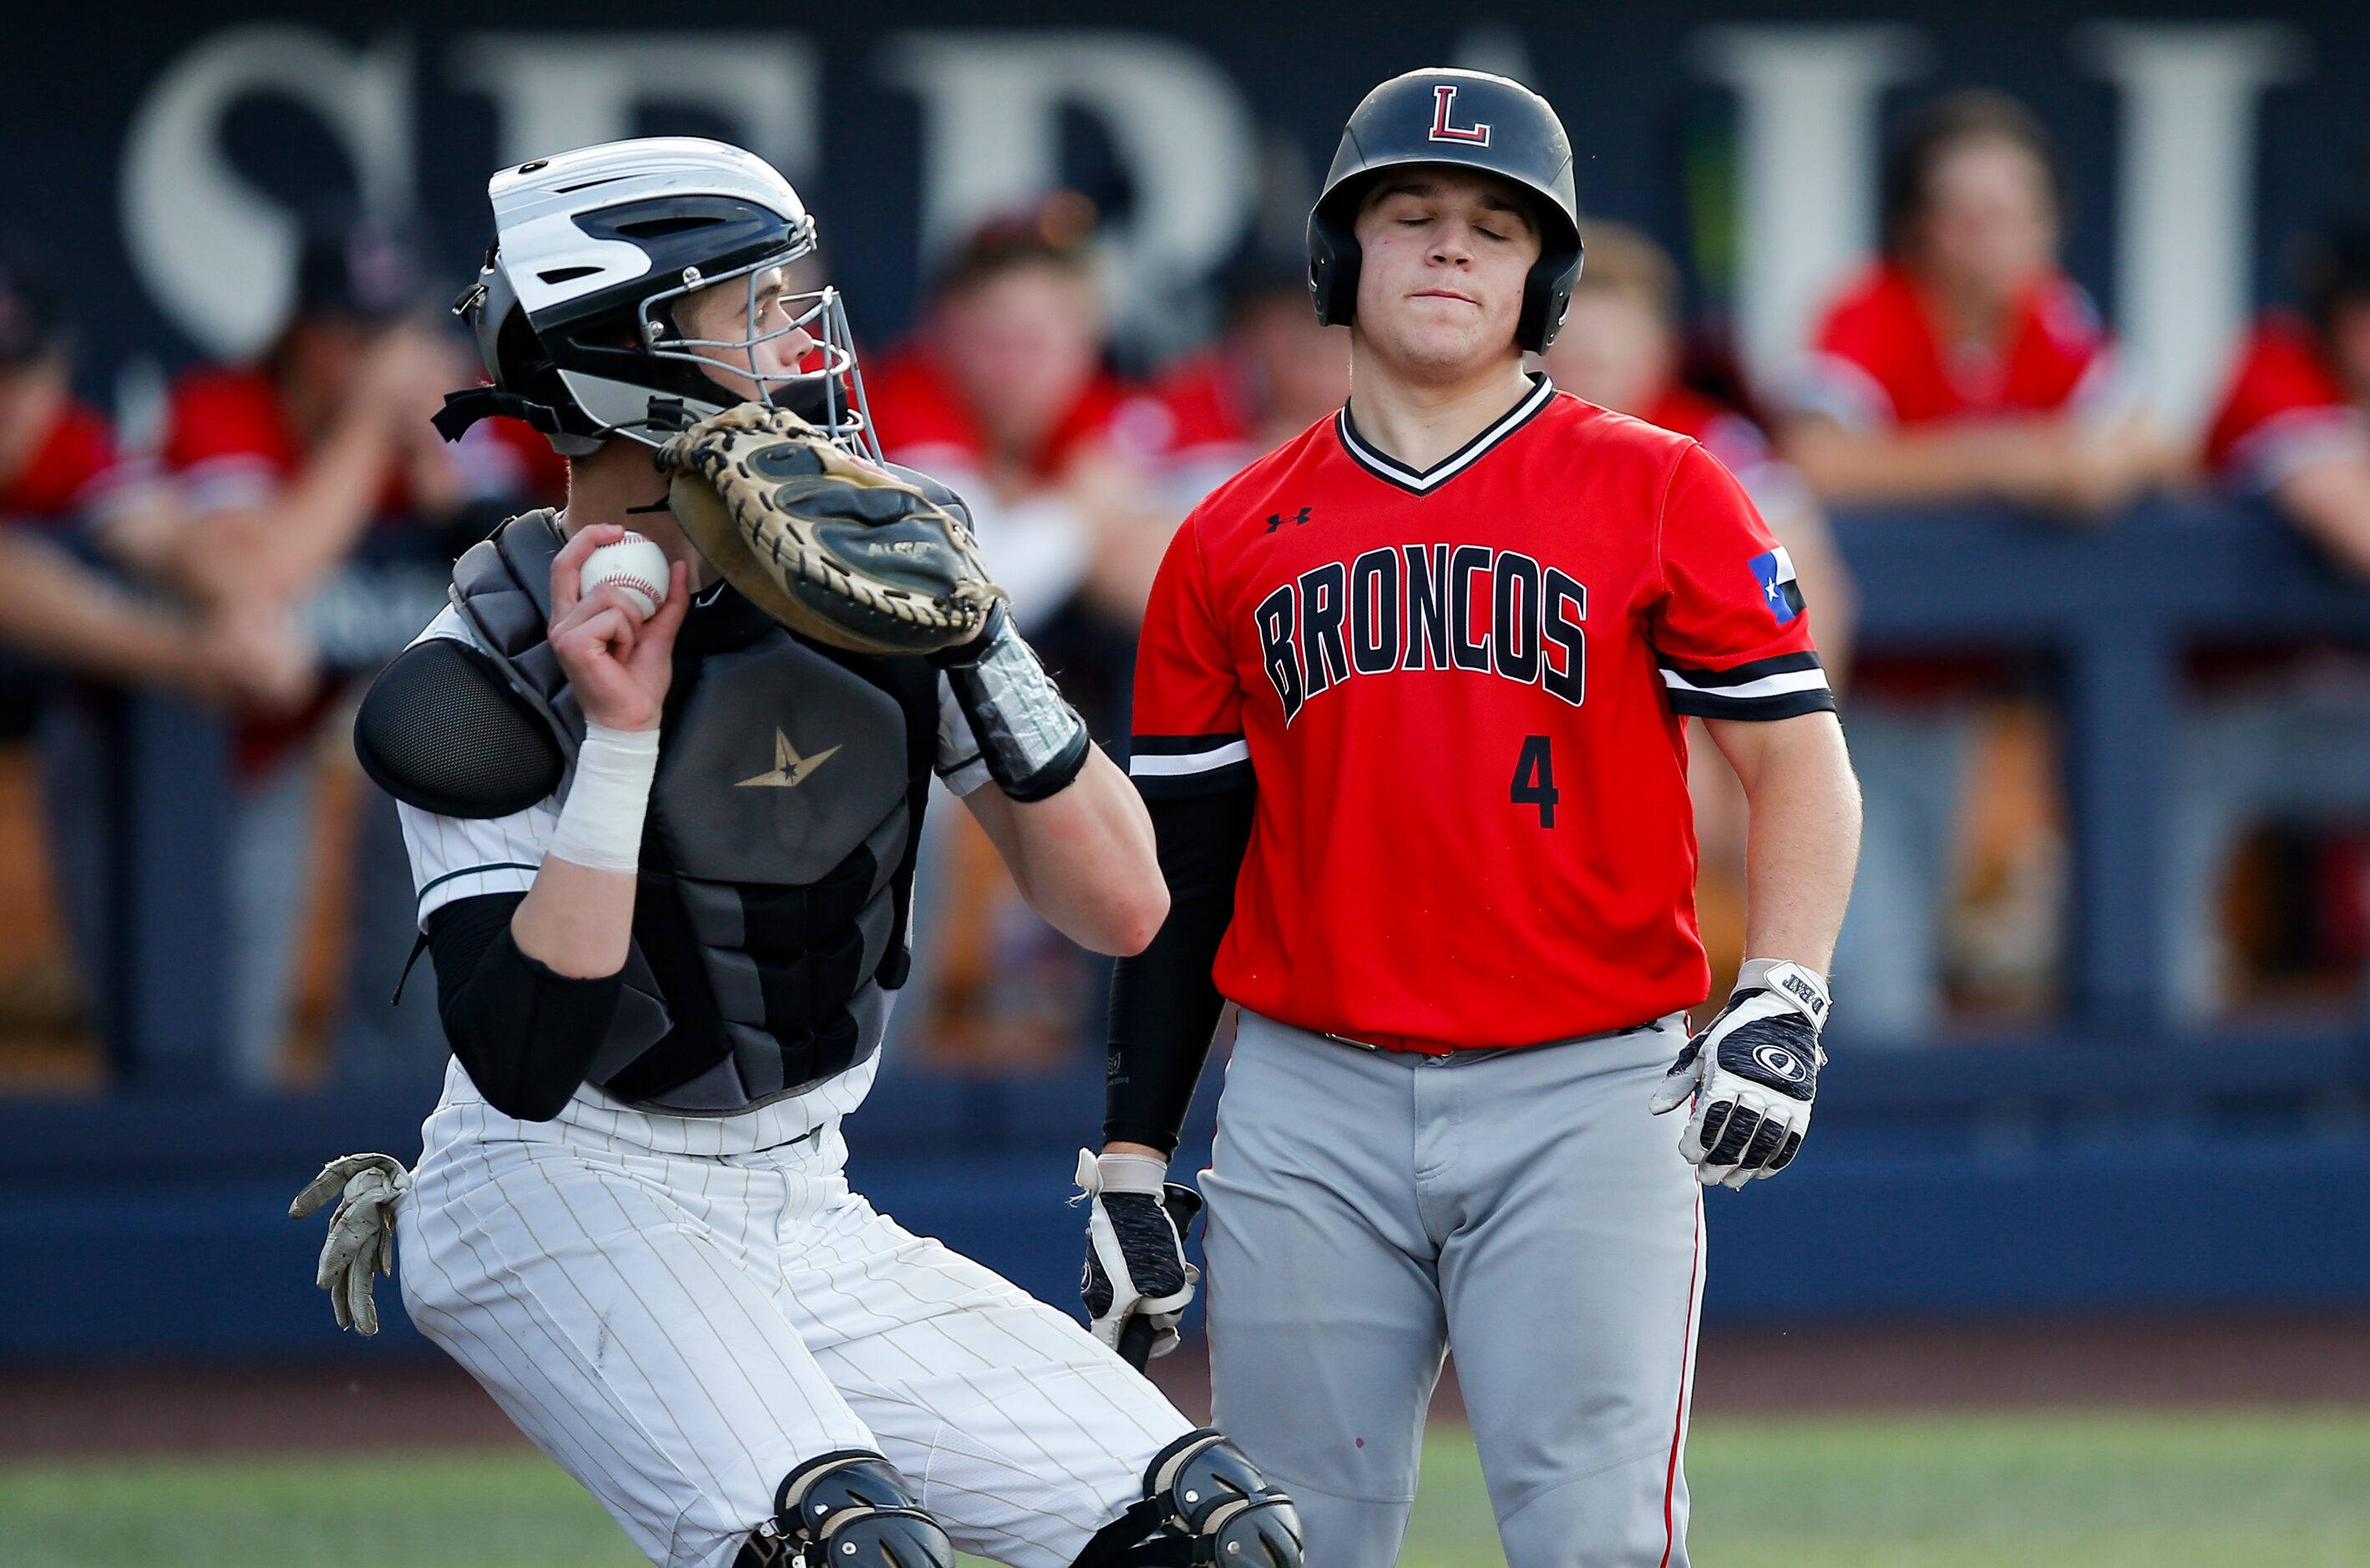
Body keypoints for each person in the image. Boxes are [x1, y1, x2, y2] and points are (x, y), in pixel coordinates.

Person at [303, 138, 1300, 1568]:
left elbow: (1125, 904)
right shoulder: (487, 657)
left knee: (1216, 1539)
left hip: (797, 1192)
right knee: (846, 1550)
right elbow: (526, 1058)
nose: (794, 334)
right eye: (745, 304)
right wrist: (624, 742)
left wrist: (980, 638)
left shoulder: (878, 575)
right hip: (557, 1188)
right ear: (619, 349)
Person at [1078, 70, 1861, 1565]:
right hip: (1307, 1098)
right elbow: (1182, 869)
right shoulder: (1226, 534)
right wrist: (1128, 1149)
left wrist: (1783, 990)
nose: (1449, 249)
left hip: (1586, 1092)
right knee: (1280, 1542)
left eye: (1493, 228)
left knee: (1595, 1542)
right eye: (1411, 215)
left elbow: (1800, 764)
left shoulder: (1665, 488)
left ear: (1541, 277)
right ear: (1337, 259)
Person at [1776, 89, 2171, 1040]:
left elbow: (2154, 438)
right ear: (1918, 225)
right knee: (1871, 976)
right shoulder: (1870, 309)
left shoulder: (2052, 313)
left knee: (1974, 951)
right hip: (1849, 699)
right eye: (1966, 210)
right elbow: (1817, 457)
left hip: (1974, 706)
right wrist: (2011, 456)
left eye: (2018, 209)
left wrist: (2101, 460)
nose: (1994, 234)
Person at [154, 208, 556, 1085]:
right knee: (225, 1029)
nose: (384, 360)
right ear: (301, 334)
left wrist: (448, 490)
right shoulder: (226, 406)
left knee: (443, 814)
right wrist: (370, 431)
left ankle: (391, 1116)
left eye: (397, 333)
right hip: (230, 747)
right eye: (354, 335)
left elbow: (565, 548)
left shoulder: (464, 416)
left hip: (398, 739)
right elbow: (257, 570)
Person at [2174, 213, 2370, 1014]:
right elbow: (2354, 524)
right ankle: (2148, 1120)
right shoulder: (2274, 364)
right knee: (2158, 959)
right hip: (2191, 713)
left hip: (2322, 709)